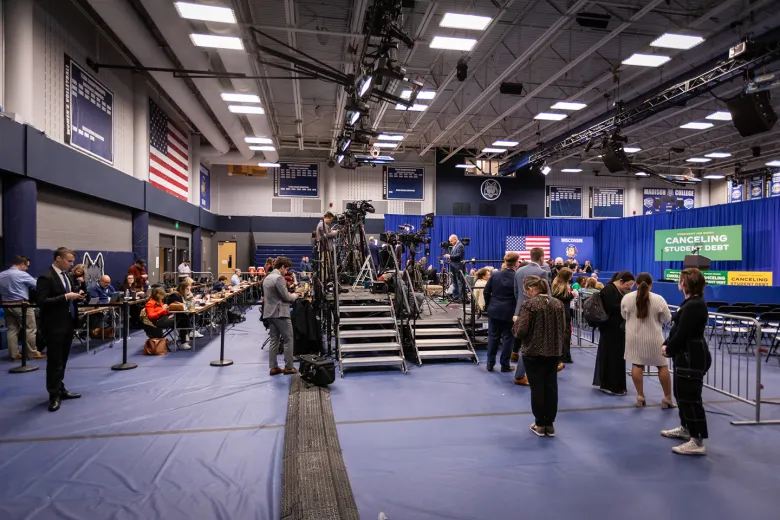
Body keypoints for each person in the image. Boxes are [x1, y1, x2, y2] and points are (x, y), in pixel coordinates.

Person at [661, 269, 711, 456]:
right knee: (681, 393)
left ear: (686, 283)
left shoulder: (695, 305)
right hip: (685, 356)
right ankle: (686, 428)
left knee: (691, 397)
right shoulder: (690, 303)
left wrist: (669, 348)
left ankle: (697, 440)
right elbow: (678, 329)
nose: (678, 283)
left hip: (692, 357)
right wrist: (668, 344)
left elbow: (683, 333)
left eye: (680, 280)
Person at [514, 275, 566, 437]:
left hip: (534, 351)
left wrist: (515, 323)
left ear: (531, 289)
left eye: (526, 291)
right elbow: (563, 327)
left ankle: (539, 424)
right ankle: (549, 424)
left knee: (537, 388)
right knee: (551, 387)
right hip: (553, 351)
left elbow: (521, 331)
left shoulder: (529, 305)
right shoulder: (558, 304)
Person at [36, 247, 84, 412]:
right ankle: (53, 394)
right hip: (54, 326)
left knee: (62, 360)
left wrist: (77, 294)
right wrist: (65, 297)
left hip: (68, 323)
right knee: (54, 361)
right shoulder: (46, 277)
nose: (71, 265)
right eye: (69, 261)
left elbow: (68, 297)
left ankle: (60, 388)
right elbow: (42, 301)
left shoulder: (67, 276)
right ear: (58, 258)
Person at [621, 273, 674, 408]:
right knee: (662, 366)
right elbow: (667, 318)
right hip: (654, 338)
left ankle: (640, 395)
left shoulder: (627, 298)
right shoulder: (658, 299)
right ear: (651, 285)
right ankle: (667, 398)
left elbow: (623, 315)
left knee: (637, 364)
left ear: (636, 284)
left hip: (633, 337)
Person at [593, 271, 635, 396]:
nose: (630, 288)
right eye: (629, 284)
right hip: (611, 330)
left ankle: (614, 384)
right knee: (612, 357)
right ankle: (611, 384)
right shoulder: (609, 290)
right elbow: (612, 307)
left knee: (616, 357)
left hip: (615, 330)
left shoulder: (615, 290)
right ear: (621, 281)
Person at [0, 256, 46, 360]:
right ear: (21, 264)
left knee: (12, 329)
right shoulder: (22, 274)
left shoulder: (1, 275)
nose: (27, 269)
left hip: (6, 304)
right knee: (30, 328)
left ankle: (14, 354)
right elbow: (37, 286)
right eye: (26, 266)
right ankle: (32, 353)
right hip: (21, 304)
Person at [262, 256, 299, 376]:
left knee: (274, 340)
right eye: (286, 269)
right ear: (282, 267)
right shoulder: (279, 278)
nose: (286, 272)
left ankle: (273, 367)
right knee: (288, 339)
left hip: (269, 313)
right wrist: (296, 296)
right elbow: (286, 297)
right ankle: (289, 367)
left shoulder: (267, 278)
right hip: (280, 313)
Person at [484, 253, 520, 376]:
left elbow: (486, 291)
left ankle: (490, 363)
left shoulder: (494, 274)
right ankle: (505, 365)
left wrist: (489, 305)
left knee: (493, 337)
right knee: (508, 339)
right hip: (510, 312)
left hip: (494, 310)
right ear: (516, 263)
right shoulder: (517, 277)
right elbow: (519, 295)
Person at [511, 247, 547, 363]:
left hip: (520, 307)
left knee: (520, 331)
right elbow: (546, 293)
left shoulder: (519, 271)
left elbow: (516, 291)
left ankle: (515, 353)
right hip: (538, 308)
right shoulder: (543, 272)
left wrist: (521, 303)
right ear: (541, 258)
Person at [166, 281, 203, 346]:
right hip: (173, 315)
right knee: (184, 320)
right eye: (187, 289)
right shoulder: (175, 295)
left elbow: (185, 304)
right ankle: (183, 342)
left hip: (181, 313)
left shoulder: (181, 294)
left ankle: (191, 331)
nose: (189, 290)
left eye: (189, 289)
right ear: (183, 288)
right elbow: (175, 307)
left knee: (196, 315)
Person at [551, 267, 575, 366]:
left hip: (559, 311)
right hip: (563, 311)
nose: (572, 276)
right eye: (571, 275)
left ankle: (561, 355)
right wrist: (572, 295)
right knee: (565, 334)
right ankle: (564, 356)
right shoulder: (561, 285)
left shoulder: (556, 283)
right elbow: (562, 297)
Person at [316, 212, 339, 282]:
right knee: (324, 266)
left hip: (325, 248)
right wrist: (335, 233)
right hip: (324, 248)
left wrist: (332, 231)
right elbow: (326, 235)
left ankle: (325, 279)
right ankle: (324, 280)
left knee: (326, 265)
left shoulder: (323, 225)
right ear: (327, 218)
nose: (330, 221)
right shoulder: (322, 225)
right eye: (330, 220)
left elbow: (327, 232)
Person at [444, 234, 465, 301]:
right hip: (453, 266)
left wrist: (449, 256)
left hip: (458, 267)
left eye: (451, 241)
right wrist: (450, 258)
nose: (450, 242)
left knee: (459, 283)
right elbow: (454, 256)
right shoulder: (454, 246)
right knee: (455, 282)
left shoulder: (460, 246)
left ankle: (461, 297)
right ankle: (456, 296)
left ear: (455, 239)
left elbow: (459, 256)